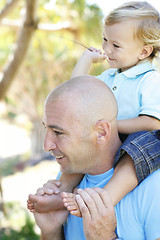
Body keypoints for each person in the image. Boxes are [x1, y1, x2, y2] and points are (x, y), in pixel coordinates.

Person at [28, 1, 160, 217]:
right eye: (105, 40)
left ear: (144, 51)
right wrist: (86, 60)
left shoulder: (150, 80)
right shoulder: (109, 76)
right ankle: (59, 196)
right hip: (105, 141)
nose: (107, 49)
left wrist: (112, 125)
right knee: (79, 150)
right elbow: (75, 95)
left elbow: (153, 123)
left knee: (132, 159)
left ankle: (102, 200)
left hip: (139, 142)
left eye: (116, 46)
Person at [30, 75, 160, 239]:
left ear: (101, 132)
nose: (47, 145)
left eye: (58, 132)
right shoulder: (69, 182)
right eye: (46, 129)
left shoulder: (154, 186)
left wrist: (104, 237)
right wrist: (51, 231)